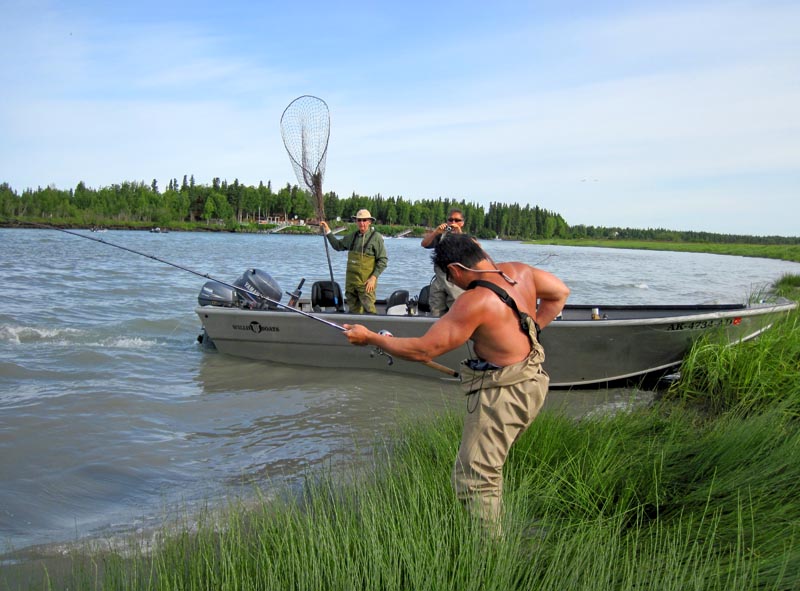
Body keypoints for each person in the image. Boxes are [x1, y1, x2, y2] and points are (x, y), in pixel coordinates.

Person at [342, 233, 570, 534]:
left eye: (451, 277)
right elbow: (560, 293)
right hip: (533, 380)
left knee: (475, 477)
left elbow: (424, 350)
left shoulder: (473, 302)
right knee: (489, 467)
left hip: (505, 395)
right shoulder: (520, 271)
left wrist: (370, 338)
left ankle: (489, 560)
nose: (454, 284)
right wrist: (530, 329)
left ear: (455, 270)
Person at [319, 209, 388, 314]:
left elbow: (383, 260)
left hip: (366, 284)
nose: (362, 223)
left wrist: (373, 278)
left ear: (369, 221)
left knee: (370, 311)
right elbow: (337, 246)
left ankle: (373, 330)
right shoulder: (352, 236)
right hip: (351, 284)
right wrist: (328, 231)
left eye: (364, 220)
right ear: (356, 222)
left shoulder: (376, 238)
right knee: (353, 313)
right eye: (359, 220)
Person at [420, 208, 467, 316]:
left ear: (462, 223)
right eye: (450, 220)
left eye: (457, 220)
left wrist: (459, 234)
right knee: (436, 312)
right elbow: (424, 244)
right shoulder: (441, 236)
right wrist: (436, 232)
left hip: (456, 281)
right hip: (439, 280)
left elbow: (476, 249)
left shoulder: (466, 238)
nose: (453, 223)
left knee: (457, 312)